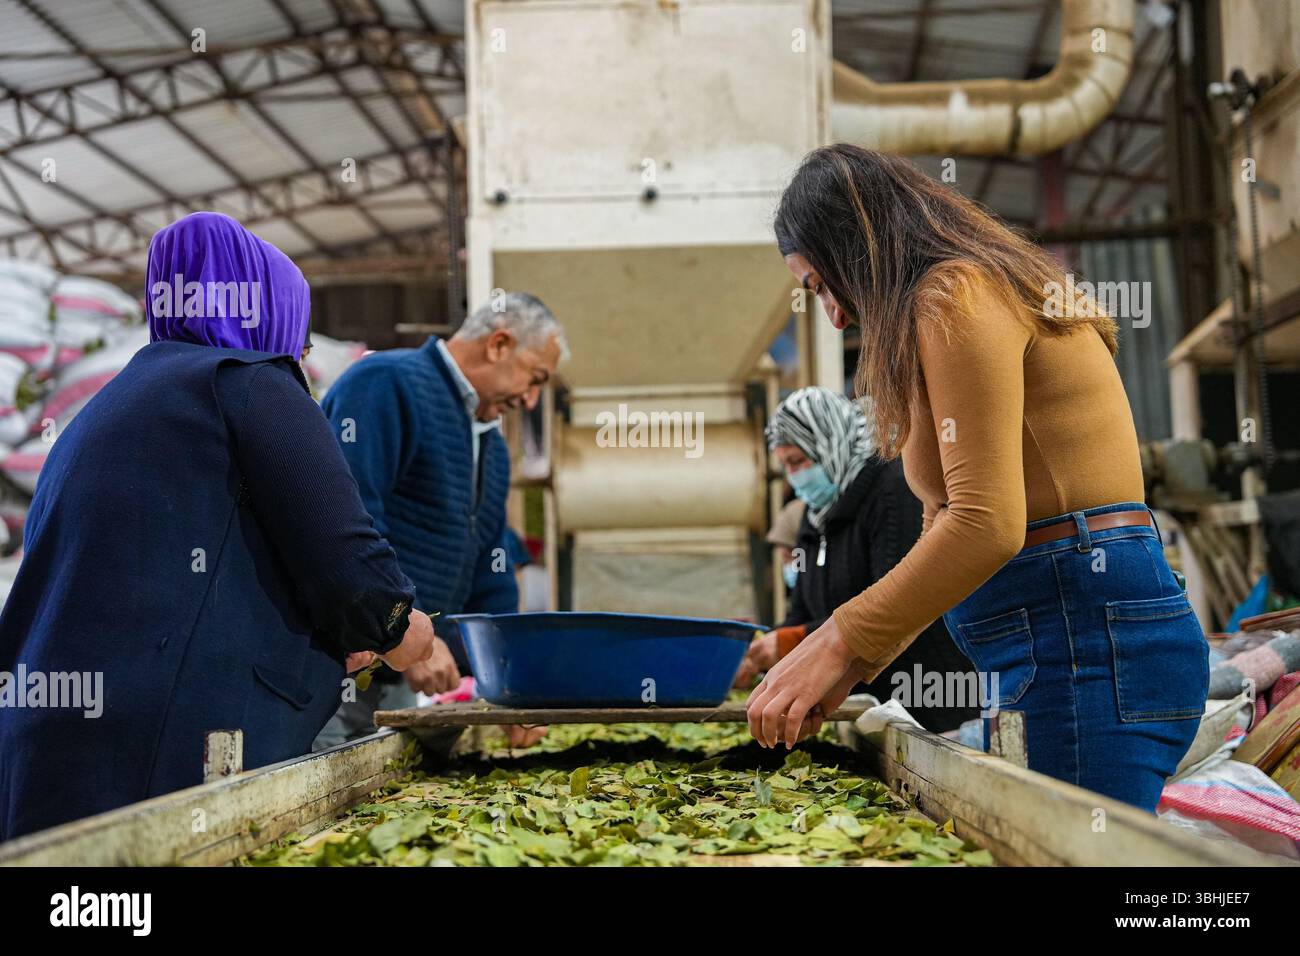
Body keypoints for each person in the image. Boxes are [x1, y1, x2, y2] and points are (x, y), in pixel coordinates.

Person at [747, 145, 1209, 812]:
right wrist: (845, 666)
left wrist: (836, 638)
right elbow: (944, 522)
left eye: (820, 285)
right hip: (1053, 649)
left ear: (858, 247)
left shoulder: (956, 294)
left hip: (1082, 645)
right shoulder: (949, 306)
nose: (835, 317)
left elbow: (987, 525)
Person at [0, 212, 439, 840]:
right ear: (273, 320)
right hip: (166, 753)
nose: (300, 358)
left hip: (49, 741)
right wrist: (407, 631)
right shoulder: (252, 382)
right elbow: (351, 566)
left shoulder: (109, 407)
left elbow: (186, 566)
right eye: (302, 343)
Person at [313, 293, 566, 750]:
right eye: (535, 379)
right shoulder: (386, 384)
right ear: (499, 344)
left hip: (410, 683)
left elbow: (491, 572)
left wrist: (508, 683)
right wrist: (401, 631)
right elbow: (345, 526)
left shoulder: (488, 444)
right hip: (339, 674)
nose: (530, 400)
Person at [734, 387, 978, 733]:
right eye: (785, 465)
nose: (794, 477)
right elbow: (800, 612)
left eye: (798, 461)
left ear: (831, 442)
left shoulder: (893, 491)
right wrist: (759, 650)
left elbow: (900, 607)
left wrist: (791, 642)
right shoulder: (813, 518)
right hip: (865, 710)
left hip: (928, 703)